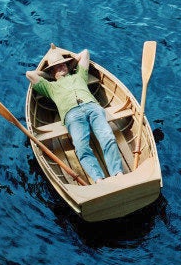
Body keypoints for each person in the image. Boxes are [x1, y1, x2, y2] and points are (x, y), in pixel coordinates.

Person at [26, 45, 123, 184]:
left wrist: (70, 65)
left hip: (92, 107)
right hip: (72, 114)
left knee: (108, 137)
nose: (61, 67)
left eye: (62, 64)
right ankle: (99, 180)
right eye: (57, 67)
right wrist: (49, 75)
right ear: (52, 72)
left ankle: (118, 173)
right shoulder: (50, 87)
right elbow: (30, 74)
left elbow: (85, 53)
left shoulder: (79, 75)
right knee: (81, 147)